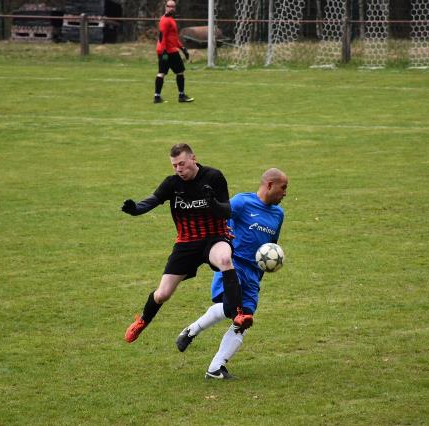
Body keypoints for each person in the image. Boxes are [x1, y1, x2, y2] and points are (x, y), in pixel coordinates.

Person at [122, 143, 252, 343]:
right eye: (174, 165)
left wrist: (213, 203)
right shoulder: (172, 183)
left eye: (181, 164)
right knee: (162, 294)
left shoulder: (213, 177)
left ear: (193, 158)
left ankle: (238, 314)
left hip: (214, 237)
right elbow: (153, 200)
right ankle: (142, 321)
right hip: (186, 243)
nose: (178, 169)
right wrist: (136, 209)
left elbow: (226, 212)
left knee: (225, 259)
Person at [175, 168, 288, 379]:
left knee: (244, 320)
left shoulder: (278, 214)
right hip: (231, 265)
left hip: (253, 273)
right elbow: (218, 217)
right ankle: (192, 331)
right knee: (232, 310)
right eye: (283, 188)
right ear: (269, 185)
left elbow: (271, 245)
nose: (285, 193)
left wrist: (267, 266)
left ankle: (215, 368)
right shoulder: (242, 202)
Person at [153, 1, 194, 104]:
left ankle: (157, 97)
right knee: (179, 71)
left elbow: (173, 38)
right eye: (169, 6)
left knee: (162, 72)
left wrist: (182, 48)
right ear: (165, 7)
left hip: (166, 51)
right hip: (169, 51)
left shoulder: (170, 19)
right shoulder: (165, 20)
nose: (171, 8)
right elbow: (162, 37)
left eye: (173, 7)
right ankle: (181, 96)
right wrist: (164, 51)